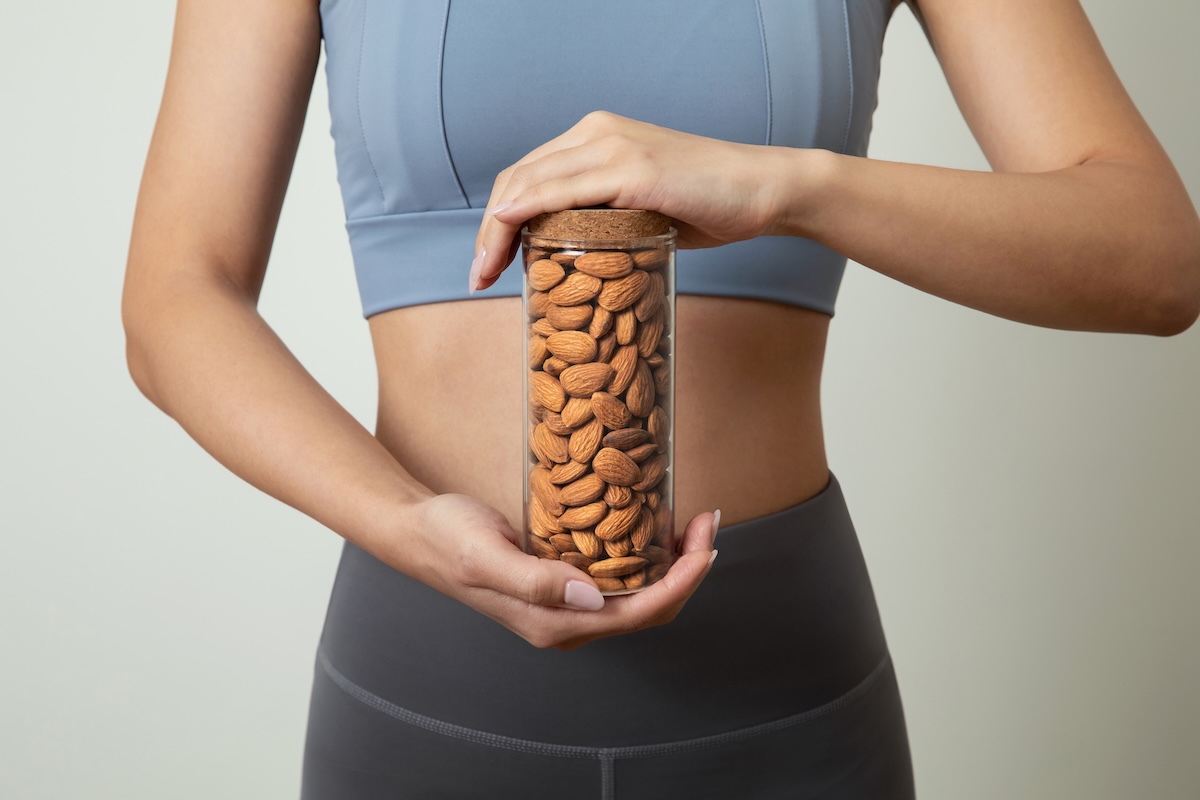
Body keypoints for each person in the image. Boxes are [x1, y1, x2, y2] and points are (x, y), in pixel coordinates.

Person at [122, 0, 1200, 797]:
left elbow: (1154, 259)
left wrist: (787, 185)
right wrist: (406, 524)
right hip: (428, 667)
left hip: (781, 689)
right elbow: (174, 298)